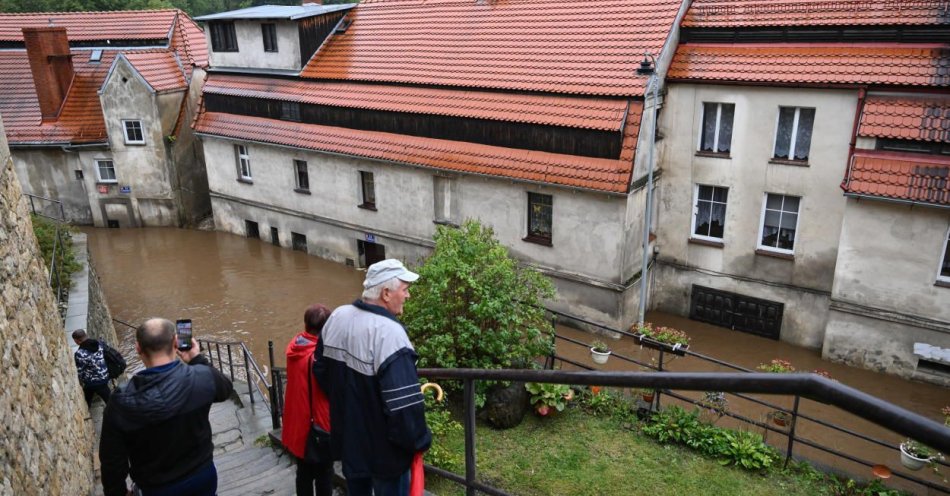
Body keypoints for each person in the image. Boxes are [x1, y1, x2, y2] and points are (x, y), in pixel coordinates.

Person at [314, 259, 432, 496]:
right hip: (386, 454)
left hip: (350, 442)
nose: (408, 296)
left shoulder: (337, 317)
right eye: (405, 290)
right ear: (386, 293)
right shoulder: (390, 335)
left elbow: (321, 373)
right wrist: (420, 441)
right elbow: (405, 408)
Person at [99, 318, 234, 496]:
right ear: (176, 342)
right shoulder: (201, 377)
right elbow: (225, 389)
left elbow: (112, 462)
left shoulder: (121, 401)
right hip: (203, 477)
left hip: (156, 488)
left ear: (138, 348)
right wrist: (196, 358)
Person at [282, 304, 334, 496]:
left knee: (303, 473)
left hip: (297, 424)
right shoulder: (318, 357)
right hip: (318, 425)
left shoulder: (296, 347)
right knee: (324, 474)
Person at [72, 328, 112, 406]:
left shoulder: (80, 353)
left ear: (77, 341)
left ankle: (87, 410)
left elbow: (79, 371)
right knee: (109, 399)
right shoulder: (99, 344)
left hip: (93, 382)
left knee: (87, 399)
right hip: (104, 376)